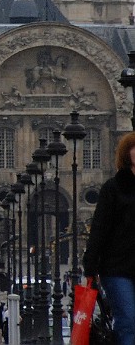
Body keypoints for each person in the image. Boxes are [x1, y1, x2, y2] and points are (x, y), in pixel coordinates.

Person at [83, 130, 135, 345]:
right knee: (128, 321)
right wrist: (90, 265)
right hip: (117, 268)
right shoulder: (113, 188)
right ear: (127, 154)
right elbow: (100, 229)